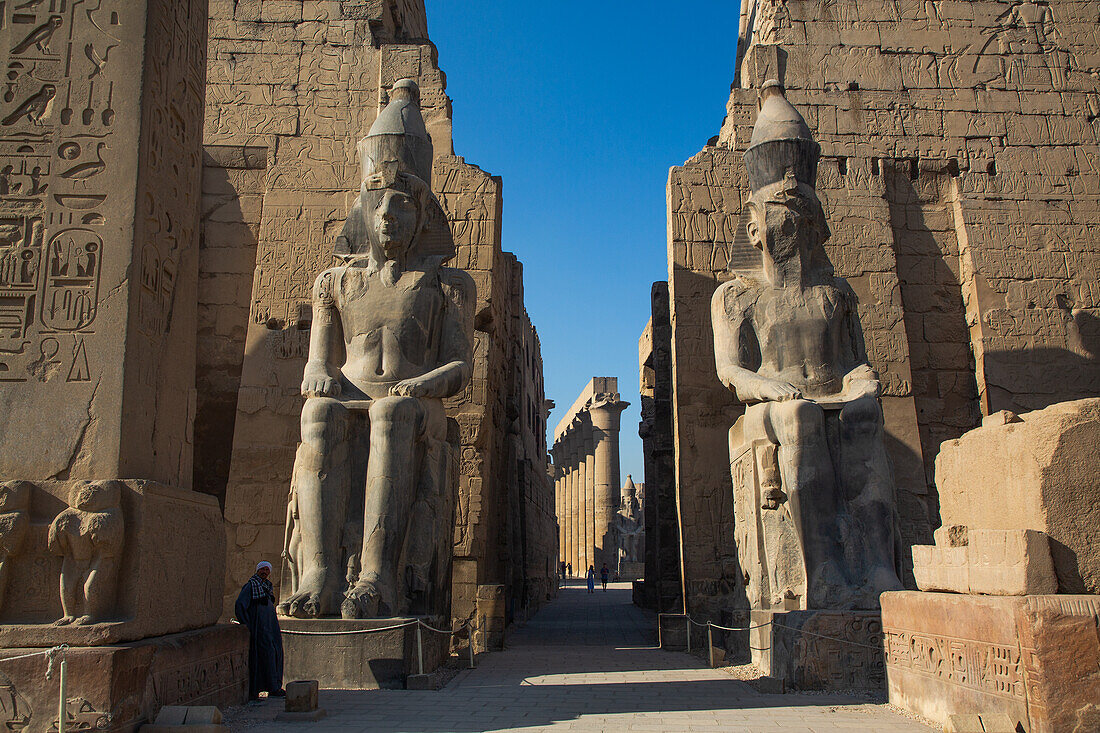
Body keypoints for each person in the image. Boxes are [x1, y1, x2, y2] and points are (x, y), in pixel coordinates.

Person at [235, 561, 285, 702]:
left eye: (266, 569)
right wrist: (248, 624)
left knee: (275, 654)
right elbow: (240, 604)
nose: (264, 571)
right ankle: (256, 690)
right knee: (260, 657)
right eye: (262, 569)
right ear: (257, 571)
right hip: (259, 630)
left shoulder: (267, 587)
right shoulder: (251, 586)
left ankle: (274, 687)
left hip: (270, 629)